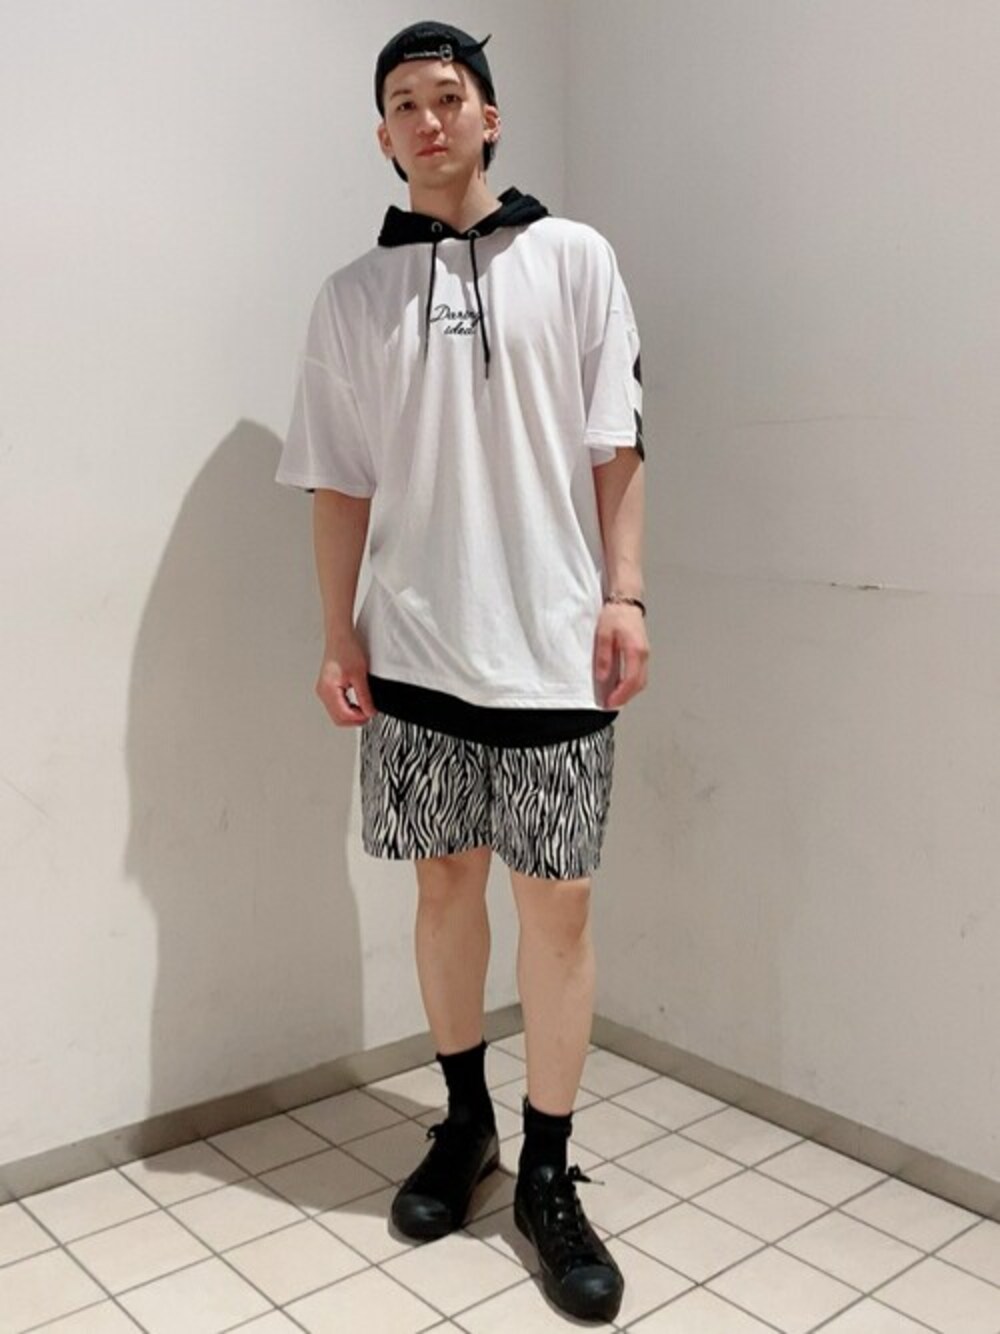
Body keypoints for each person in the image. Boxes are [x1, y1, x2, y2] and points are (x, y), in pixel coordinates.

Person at [275, 19, 648, 1323]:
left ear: (491, 116)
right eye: (404, 103)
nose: (428, 119)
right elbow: (338, 482)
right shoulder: (352, 296)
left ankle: (548, 1168)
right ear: (383, 136)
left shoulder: (576, 259)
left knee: (561, 907)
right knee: (443, 886)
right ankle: (466, 1123)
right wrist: (339, 633)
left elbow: (617, 441)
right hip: (417, 648)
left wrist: (626, 593)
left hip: (553, 645)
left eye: (449, 95)